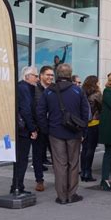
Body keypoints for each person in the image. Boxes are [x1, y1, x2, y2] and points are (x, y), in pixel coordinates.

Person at [37, 63, 89, 204]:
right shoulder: (78, 91)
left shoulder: (49, 91)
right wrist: (83, 131)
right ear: (70, 74)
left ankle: (61, 196)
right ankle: (72, 194)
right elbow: (86, 113)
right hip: (74, 133)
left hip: (55, 133)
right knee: (73, 164)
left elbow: (40, 112)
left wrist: (46, 129)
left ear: (57, 74)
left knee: (59, 165)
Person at [12, 66, 39, 195]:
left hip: (20, 129)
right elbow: (26, 110)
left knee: (20, 159)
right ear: (27, 76)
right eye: (35, 76)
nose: (37, 79)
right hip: (23, 130)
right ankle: (18, 187)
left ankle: (17, 185)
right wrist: (32, 128)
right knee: (21, 159)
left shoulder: (24, 87)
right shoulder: (24, 88)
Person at [32, 65, 54, 192]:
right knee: (38, 155)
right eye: (48, 75)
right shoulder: (34, 89)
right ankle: (39, 180)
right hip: (39, 127)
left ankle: (60, 179)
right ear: (41, 76)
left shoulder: (54, 88)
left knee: (57, 155)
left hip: (53, 127)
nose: (50, 77)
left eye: (52, 75)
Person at [80, 75, 102, 182]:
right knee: (91, 149)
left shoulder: (82, 92)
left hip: (83, 124)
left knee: (84, 149)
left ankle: (83, 171)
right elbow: (102, 108)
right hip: (94, 123)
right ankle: (88, 173)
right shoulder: (97, 95)